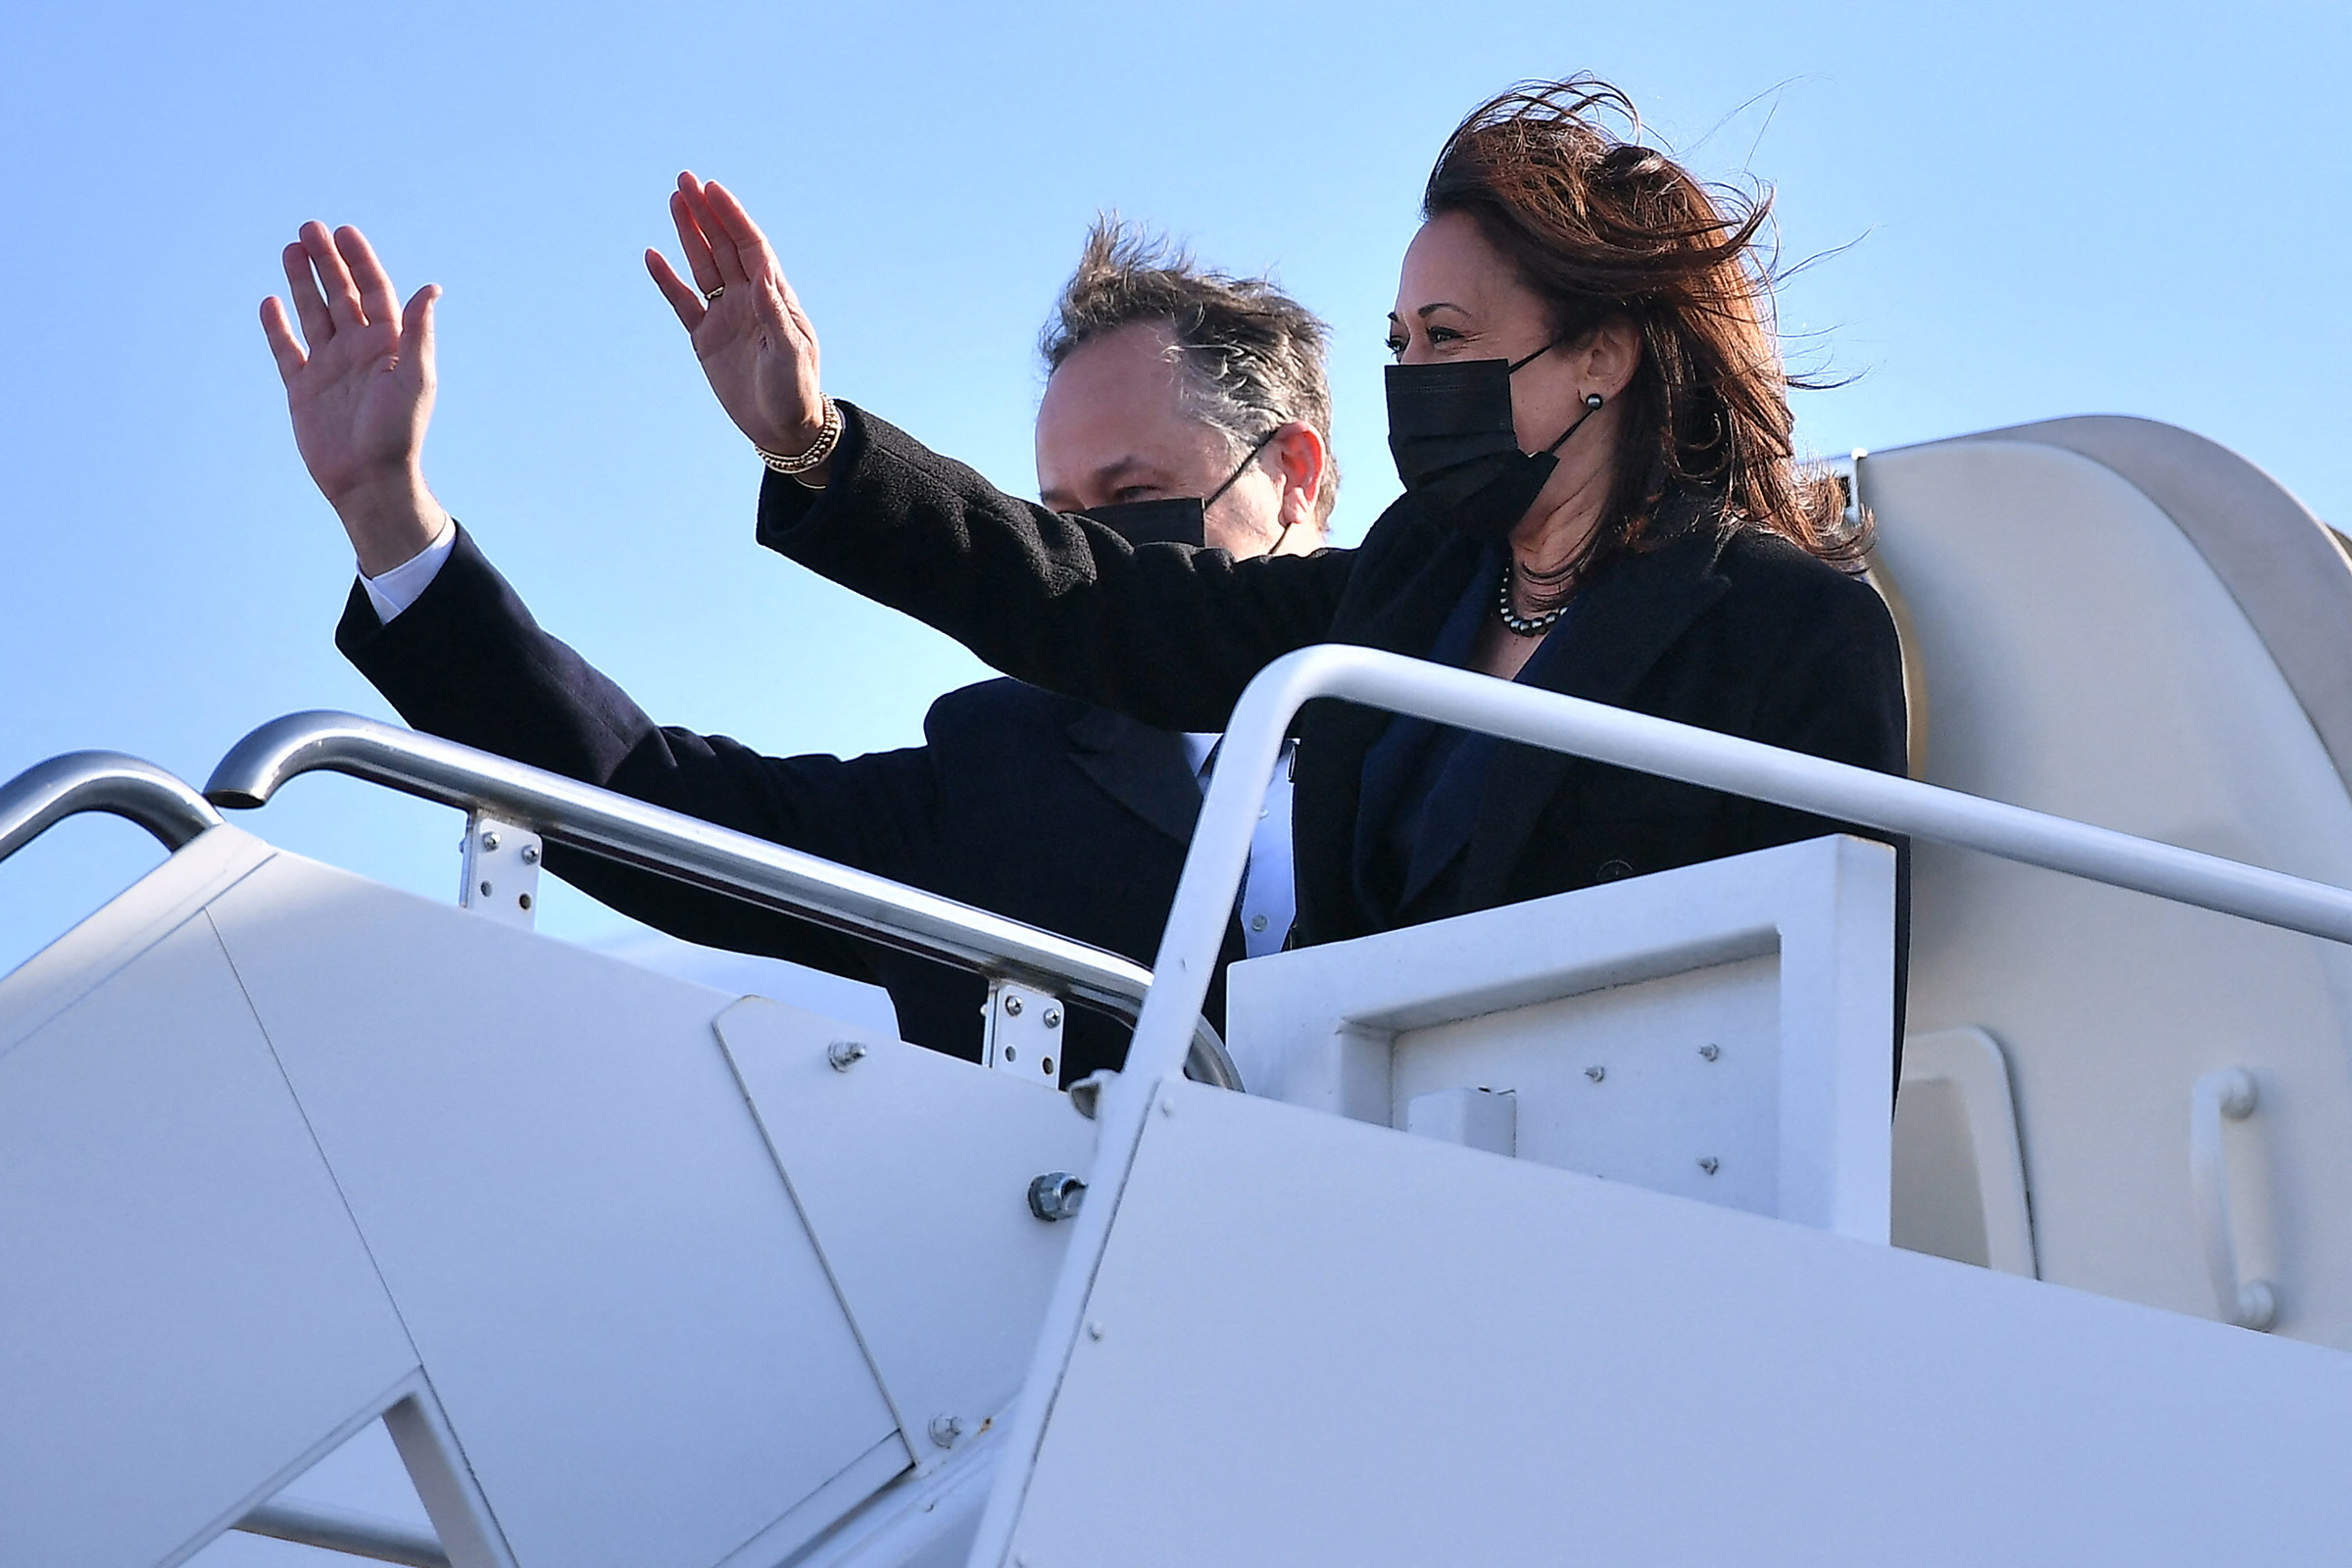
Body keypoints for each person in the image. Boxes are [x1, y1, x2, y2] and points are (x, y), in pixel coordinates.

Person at [656, 78, 1911, 979]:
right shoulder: (1416, 588)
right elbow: (1100, 608)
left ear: (1602, 355)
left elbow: (1829, 1009)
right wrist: (812, 440)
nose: (1416, 377)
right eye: (1401, 343)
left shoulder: (1784, 629)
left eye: (1452, 339)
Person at [259, 219, 1336, 1084]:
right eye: (1056, 513)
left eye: (1134, 494)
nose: (1088, 549)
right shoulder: (1006, 765)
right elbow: (657, 808)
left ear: (1292, 470)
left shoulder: (1465, 684)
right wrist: (390, 522)